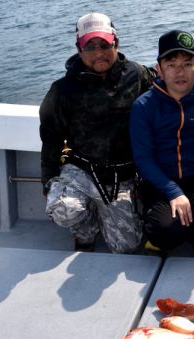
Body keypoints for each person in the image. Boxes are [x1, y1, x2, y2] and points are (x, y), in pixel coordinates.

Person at [39, 13, 156, 253]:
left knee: (127, 247)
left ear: (116, 43)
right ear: (79, 49)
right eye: (90, 46)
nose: (98, 52)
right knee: (63, 208)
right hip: (80, 168)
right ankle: (86, 229)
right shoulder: (61, 90)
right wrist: (48, 181)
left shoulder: (138, 75)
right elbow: (51, 139)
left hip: (120, 174)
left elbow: (170, 88)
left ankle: (105, 210)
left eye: (104, 44)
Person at [130, 30, 194, 257]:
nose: (180, 72)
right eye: (171, 64)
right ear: (160, 69)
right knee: (166, 229)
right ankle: (161, 238)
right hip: (160, 179)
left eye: (187, 63)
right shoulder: (143, 106)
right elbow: (143, 158)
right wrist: (173, 192)